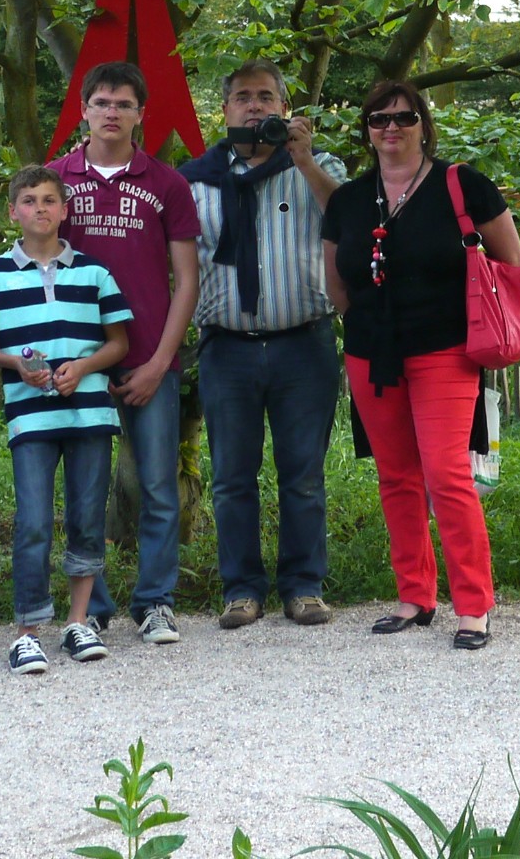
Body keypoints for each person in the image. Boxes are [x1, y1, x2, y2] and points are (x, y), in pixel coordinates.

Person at [320, 81, 520, 651]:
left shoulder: (463, 184)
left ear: (423, 125)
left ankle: (474, 605)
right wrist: (370, 324)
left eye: (403, 118)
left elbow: (510, 259)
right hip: (372, 353)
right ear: (366, 130)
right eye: (378, 119)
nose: (391, 128)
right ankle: (415, 596)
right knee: (396, 476)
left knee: (446, 474)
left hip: (445, 350)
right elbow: (337, 283)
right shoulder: (348, 200)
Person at [178, 61, 347, 629]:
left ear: (284, 107)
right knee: (232, 477)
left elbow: (346, 220)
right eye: (244, 97)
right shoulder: (194, 182)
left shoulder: (319, 166)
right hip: (226, 349)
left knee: (304, 475)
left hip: (305, 344)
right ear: (225, 110)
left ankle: (304, 586)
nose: (255, 106)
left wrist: (303, 160)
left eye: (267, 97)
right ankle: (242, 590)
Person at [53, 61, 202, 645]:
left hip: (149, 357)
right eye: (101, 102)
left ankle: (156, 602)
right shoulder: (56, 179)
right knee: (84, 489)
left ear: (141, 114)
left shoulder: (167, 184)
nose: (111, 112)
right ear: (84, 110)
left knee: (158, 486)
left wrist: (161, 362)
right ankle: (92, 605)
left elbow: (186, 281)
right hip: (76, 359)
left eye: (123, 104)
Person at [0, 164, 133, 672]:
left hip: (89, 413)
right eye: (29, 201)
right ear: (12, 212)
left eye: (48, 200)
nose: (39, 209)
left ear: (65, 209)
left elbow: (119, 342)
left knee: (87, 516)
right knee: (34, 522)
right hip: (31, 417)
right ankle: (28, 630)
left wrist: (82, 367)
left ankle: (78, 622)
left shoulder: (94, 272)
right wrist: (15, 364)